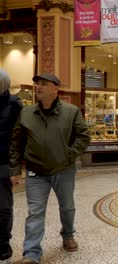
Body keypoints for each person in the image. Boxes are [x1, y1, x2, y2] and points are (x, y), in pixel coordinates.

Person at [10, 73, 90, 264]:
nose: (38, 87)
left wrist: (67, 155)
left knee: (67, 207)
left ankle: (68, 235)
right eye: (37, 84)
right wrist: (14, 170)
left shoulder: (71, 111)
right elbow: (16, 142)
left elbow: (83, 137)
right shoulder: (27, 113)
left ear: (56, 88)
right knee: (35, 212)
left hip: (63, 170)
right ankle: (31, 253)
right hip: (35, 172)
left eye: (44, 84)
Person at [0, 69, 23, 261]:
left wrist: (17, 168)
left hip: (4, 162)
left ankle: (3, 243)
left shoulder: (14, 104)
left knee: (4, 206)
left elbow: (20, 135)